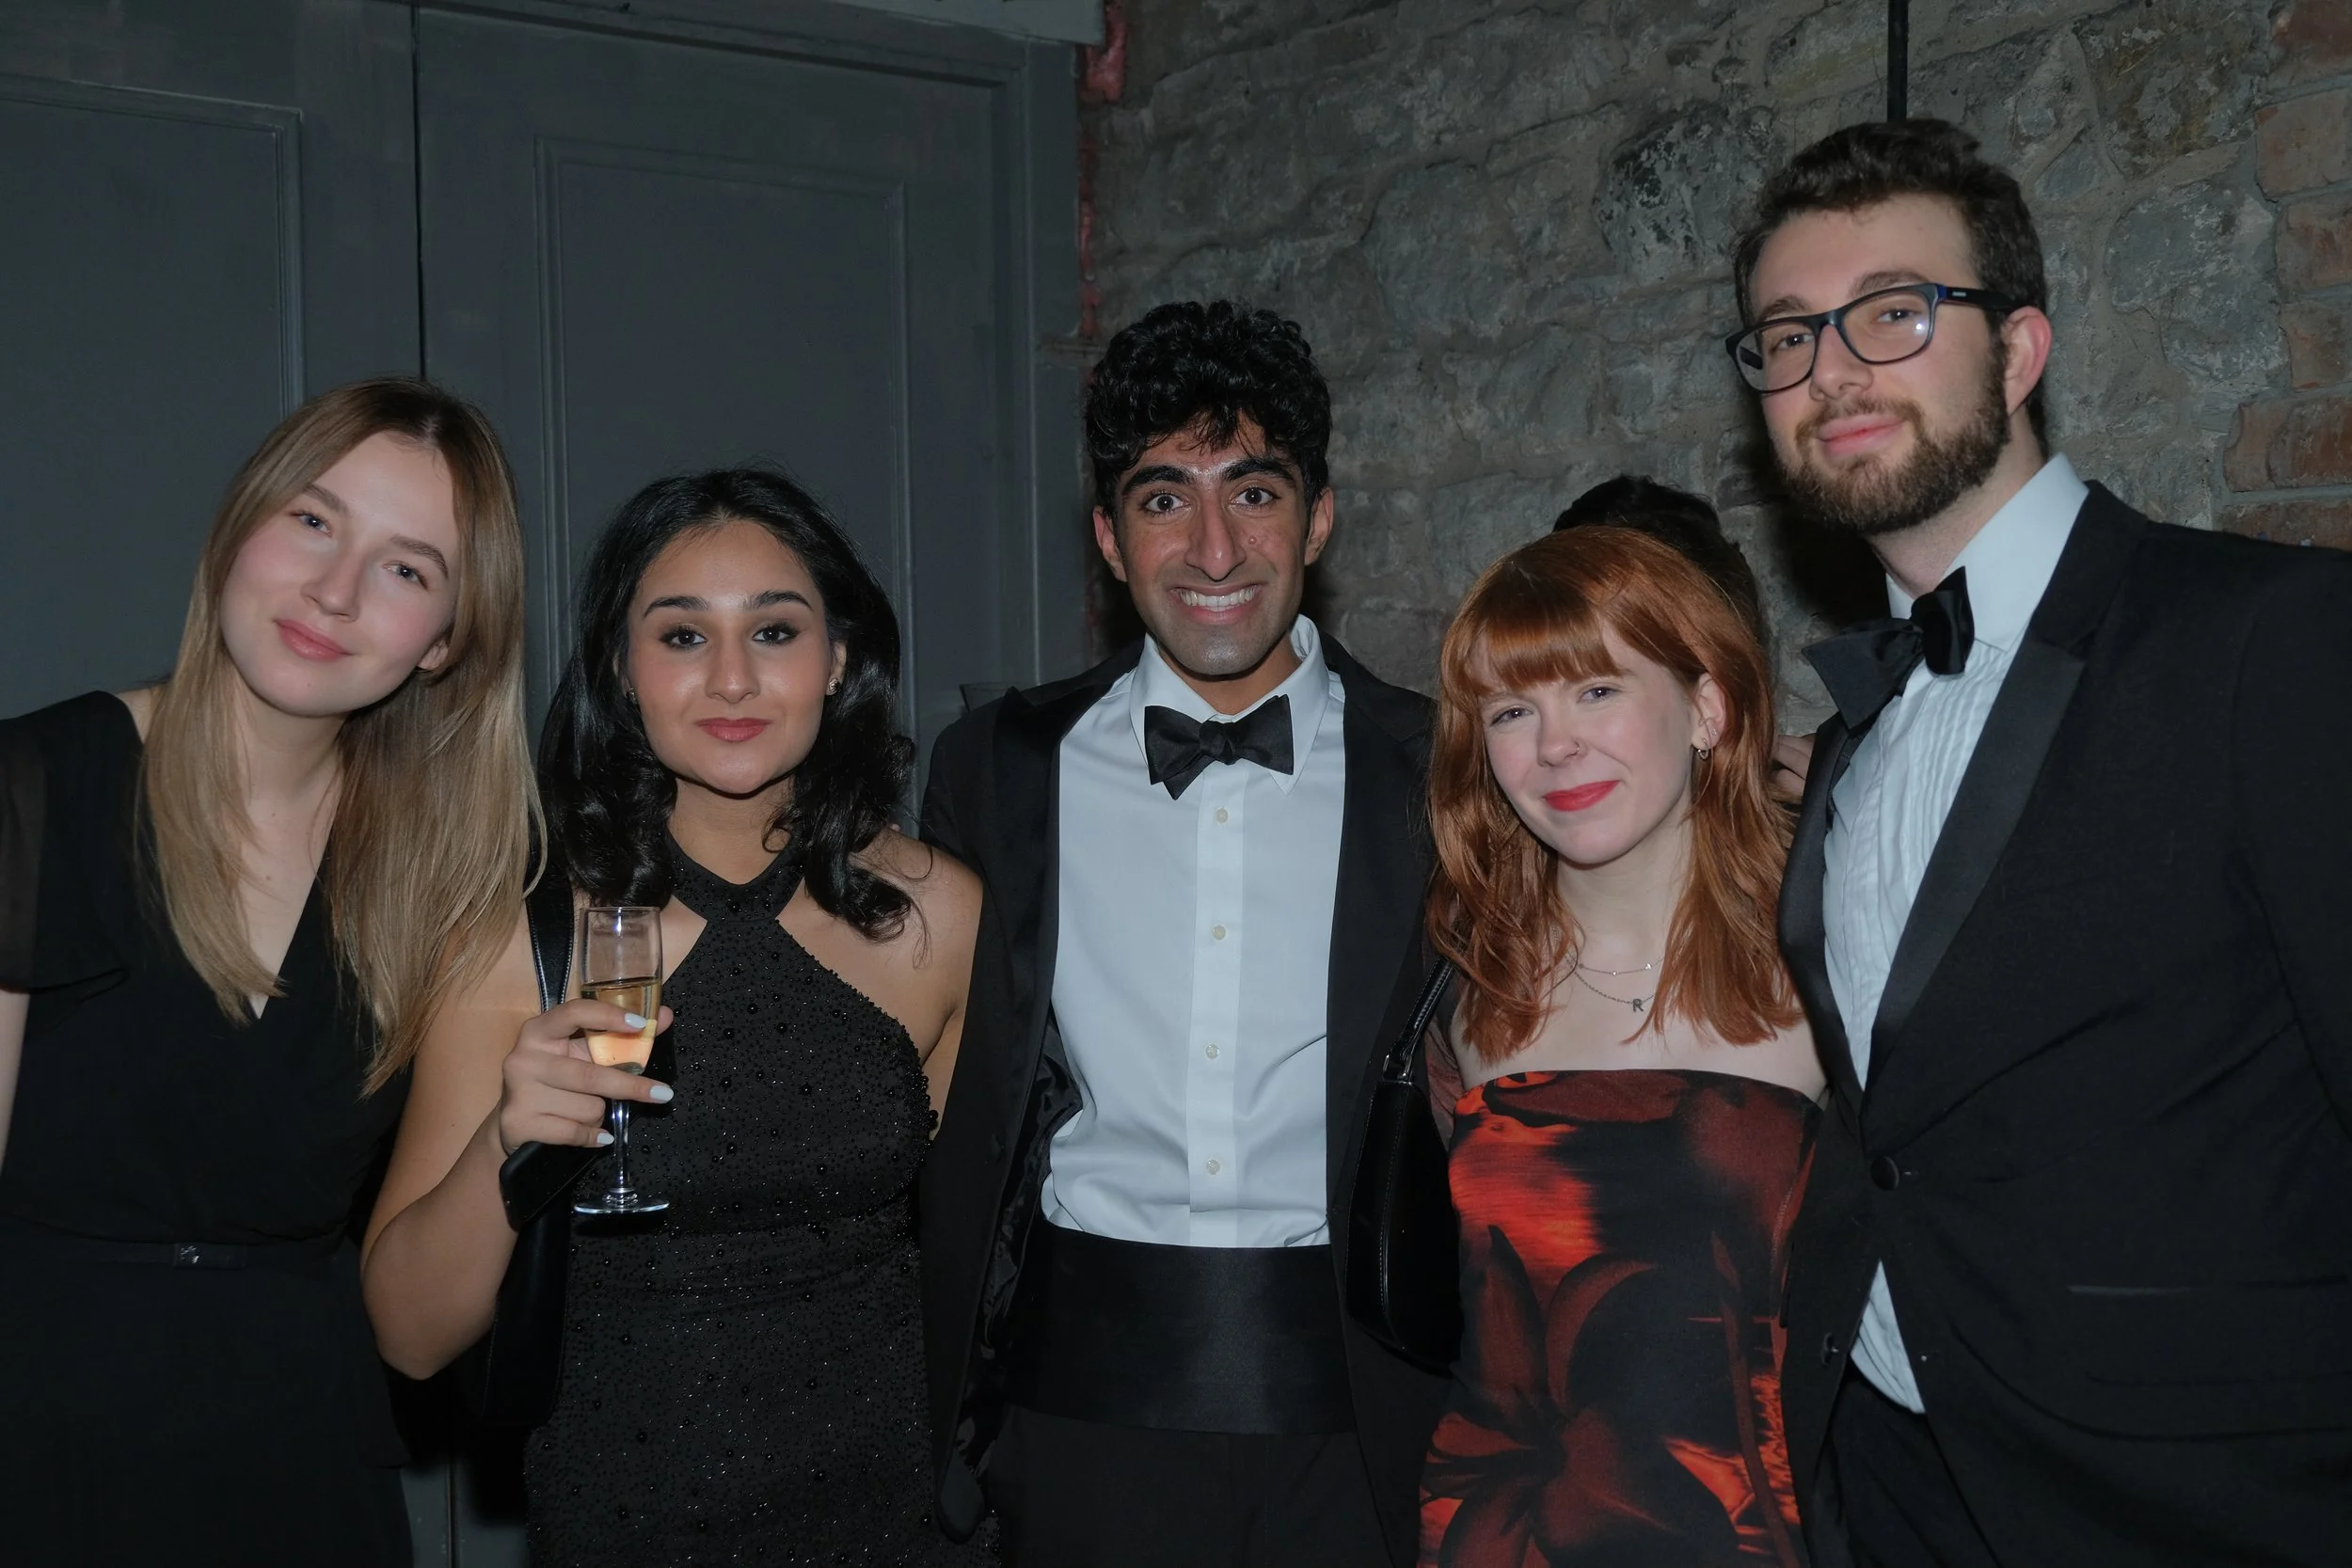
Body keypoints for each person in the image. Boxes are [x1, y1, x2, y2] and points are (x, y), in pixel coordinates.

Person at [1730, 119, 2352, 1565]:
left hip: (2205, 1498)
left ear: (2018, 353)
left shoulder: (2265, 638)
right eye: (1787, 336)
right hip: (1892, 1479)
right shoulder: (1850, 733)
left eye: (1894, 313)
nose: (1834, 370)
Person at [361, 469, 987, 1564]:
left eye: (777, 630)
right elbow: (411, 1337)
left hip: (888, 1517)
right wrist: (507, 1143)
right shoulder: (521, 934)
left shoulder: (937, 911)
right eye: (683, 636)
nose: (733, 678)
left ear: (838, 659)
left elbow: (983, 1260)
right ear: (621, 668)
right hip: (624, 1519)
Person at [918, 300, 1448, 1565]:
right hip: (1073, 1407)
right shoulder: (996, 767)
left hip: (1364, 1412)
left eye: (1254, 490)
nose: (1214, 545)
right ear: (1107, 537)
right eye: (1164, 499)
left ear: (1318, 515)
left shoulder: (1440, 766)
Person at [0, 378, 534, 1565]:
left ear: (447, 640)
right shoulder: (31, 791)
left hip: (303, 1471)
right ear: (237, 526)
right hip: (37, 1450)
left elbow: (420, 1330)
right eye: (312, 520)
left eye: (407, 569)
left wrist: (520, 1137)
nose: (335, 591)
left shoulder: (445, 889)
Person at [1417, 525, 1823, 1566]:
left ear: (1706, 706)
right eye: (1512, 709)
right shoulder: (1466, 996)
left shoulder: (1829, 969)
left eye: (1595, 689)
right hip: (1502, 1533)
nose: (1553, 744)